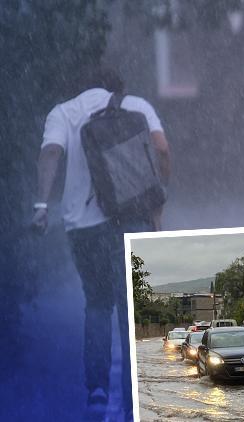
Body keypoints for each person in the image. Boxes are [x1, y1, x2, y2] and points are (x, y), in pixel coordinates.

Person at [31, 68, 169, 420]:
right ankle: (131, 401)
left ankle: (96, 392)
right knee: (130, 312)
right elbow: (161, 149)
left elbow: (50, 153)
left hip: (84, 226)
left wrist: (42, 206)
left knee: (97, 304)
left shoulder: (63, 112)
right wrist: (157, 206)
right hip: (132, 219)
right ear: (116, 89)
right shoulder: (136, 105)